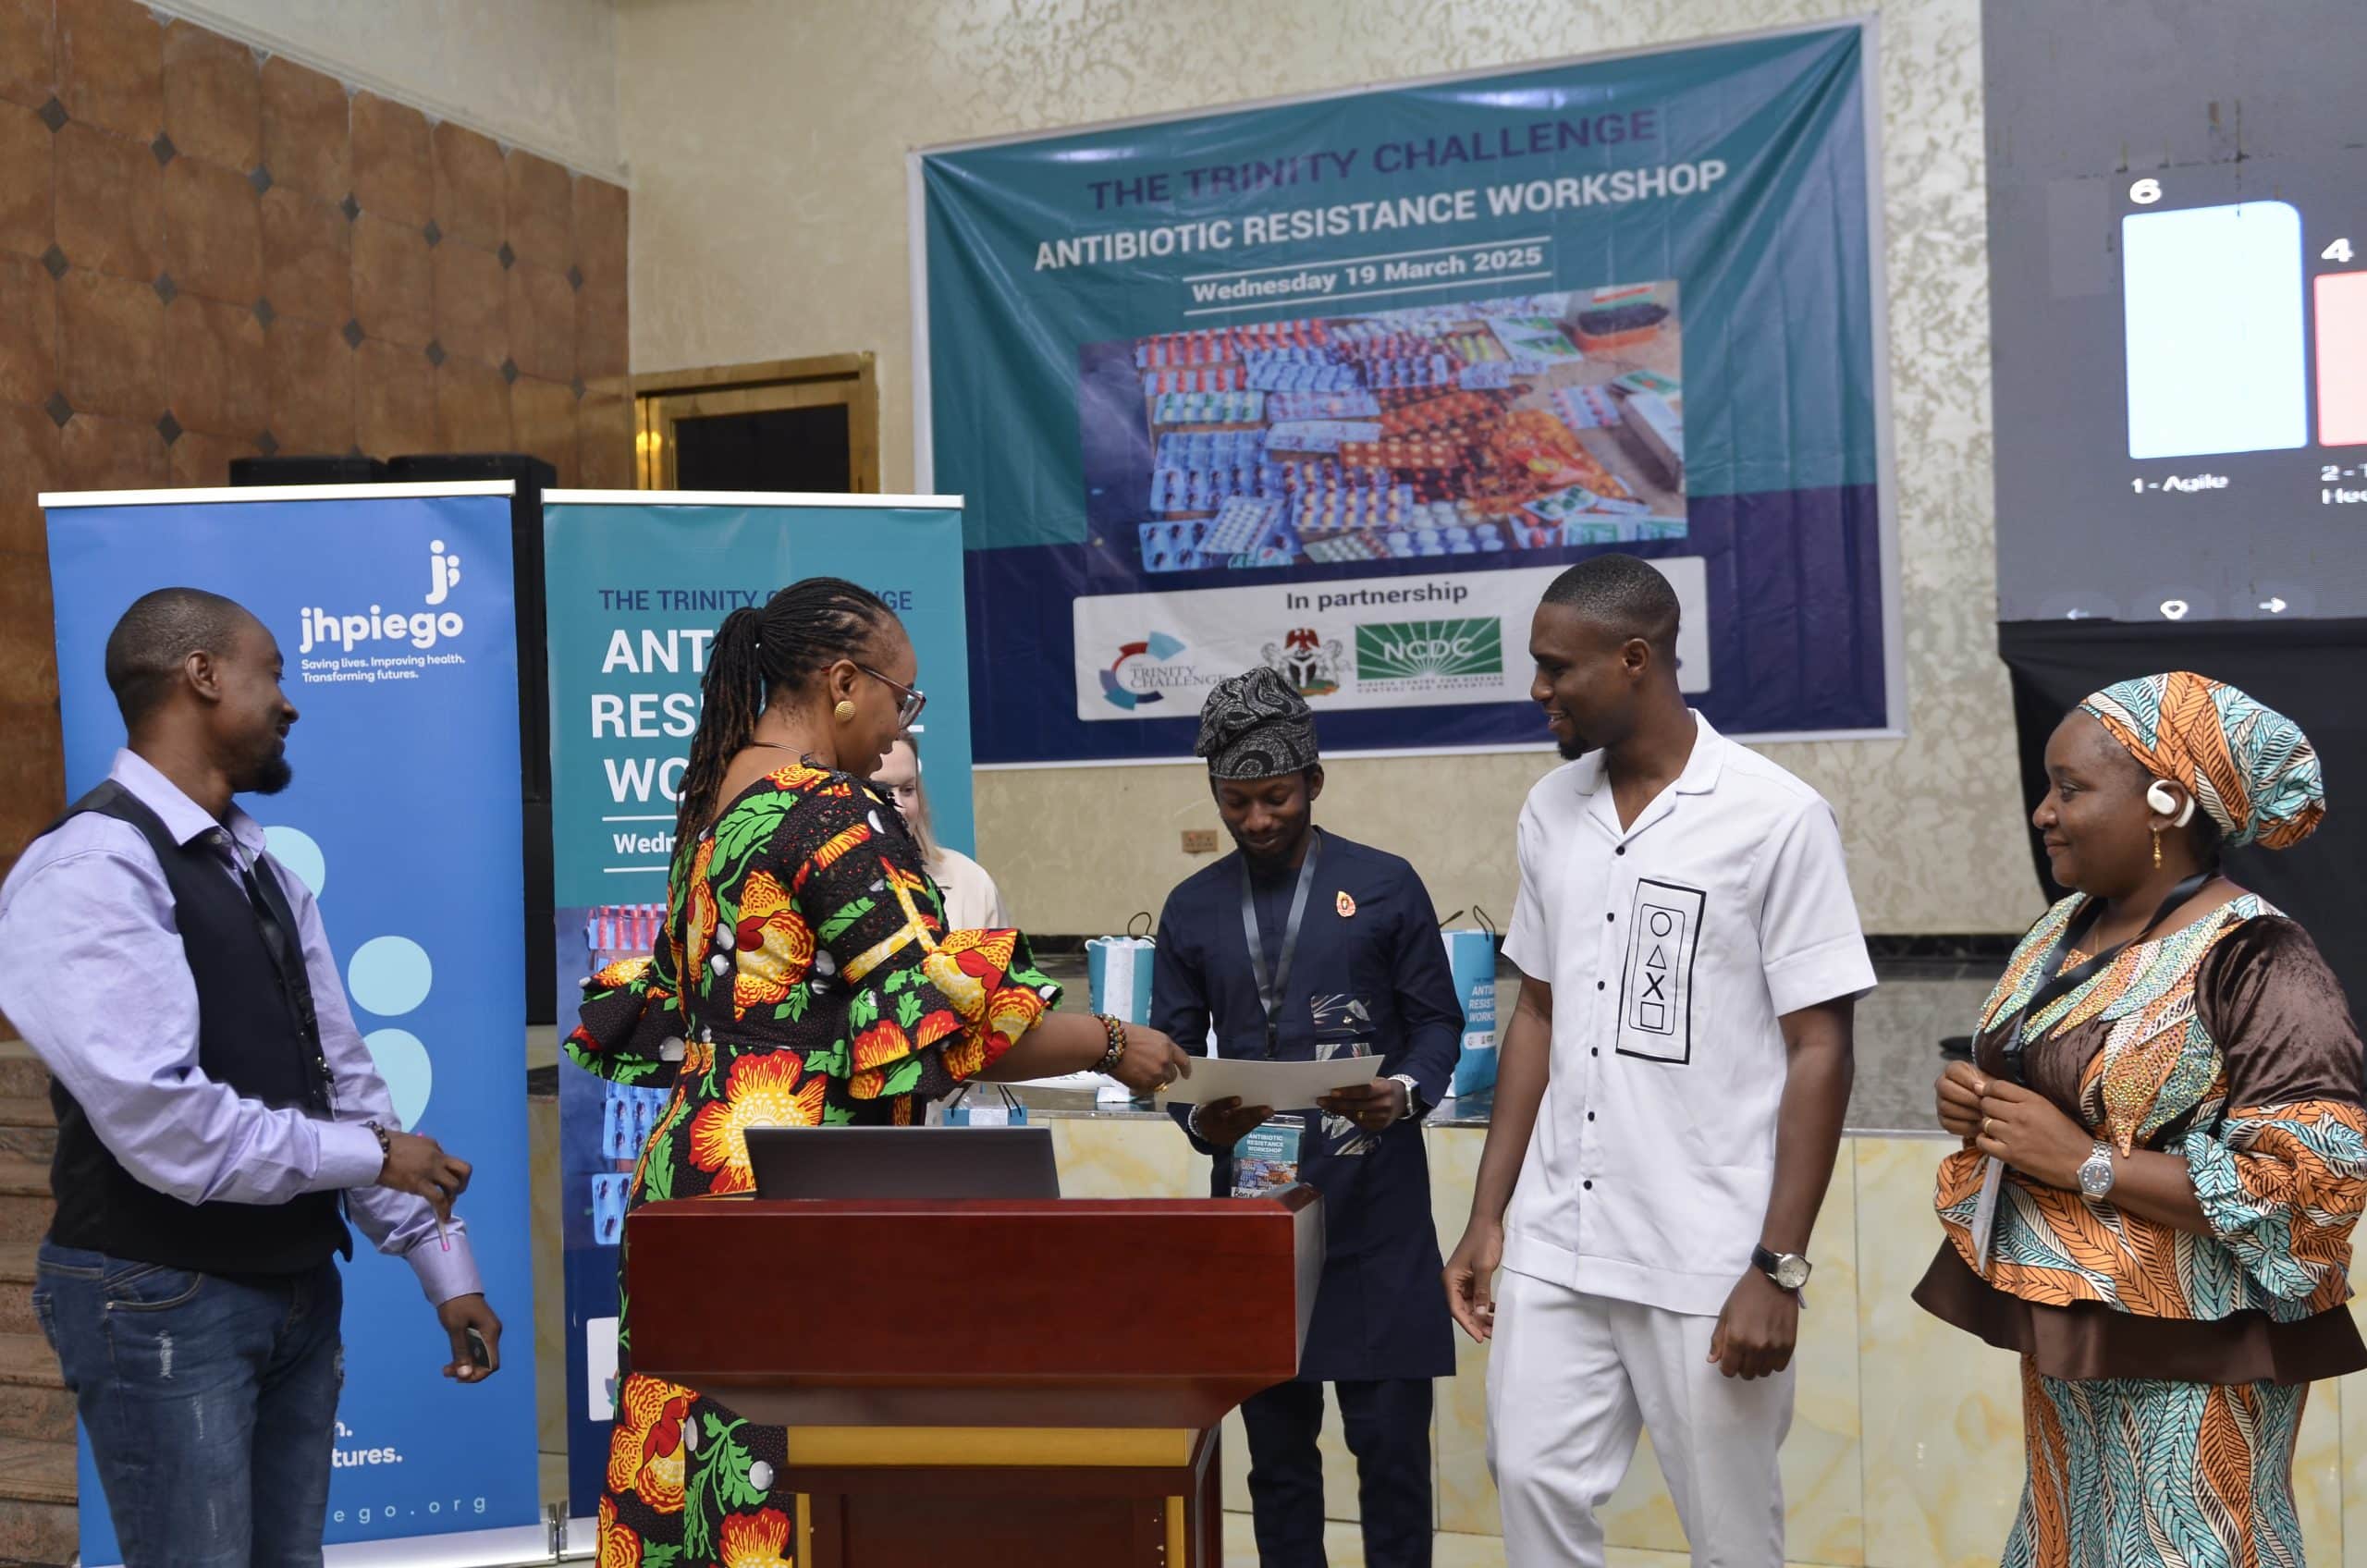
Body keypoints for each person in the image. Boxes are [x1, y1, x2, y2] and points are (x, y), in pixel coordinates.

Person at [567, 576, 1192, 1563]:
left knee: (695, 1467)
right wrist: (1113, 1043)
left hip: (691, 1184)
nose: (905, 722)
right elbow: (935, 1022)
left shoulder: (717, 805)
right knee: (796, 1485)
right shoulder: (831, 812)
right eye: (905, 698)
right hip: (796, 1192)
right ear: (845, 683)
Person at [0, 588, 502, 1568]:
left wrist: (444, 1268)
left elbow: (339, 1074)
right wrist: (375, 1156)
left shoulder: (258, 866)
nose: (289, 700)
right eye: (271, 671)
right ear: (201, 675)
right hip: (158, 1293)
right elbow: (167, 1124)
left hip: (294, 1288)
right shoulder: (91, 867)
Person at [1442, 555, 1873, 1567]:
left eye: (1557, 667)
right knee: (1531, 1482)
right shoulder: (1550, 809)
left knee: (1730, 1535)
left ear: (1635, 659)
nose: (1538, 689)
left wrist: (1778, 1267)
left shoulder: (1775, 816)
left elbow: (1820, 1046)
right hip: (1557, 1237)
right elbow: (1537, 1011)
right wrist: (1488, 1214)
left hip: (1705, 1253)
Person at [1917, 672, 2365, 1568]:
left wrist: (2085, 1163)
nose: (2044, 812)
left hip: (2200, 1354)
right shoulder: (2063, 929)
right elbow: (2066, 1084)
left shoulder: (2259, 957)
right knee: (2068, 1543)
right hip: (2070, 1323)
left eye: (2070, 788)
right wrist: (1979, 1104)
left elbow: (2318, 1183)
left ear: (2166, 801)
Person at [1151, 666, 1464, 1568]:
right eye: (1236, 801)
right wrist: (1202, 1123)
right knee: (1280, 1468)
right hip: (1259, 1223)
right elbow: (1174, 1055)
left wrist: (1404, 1091)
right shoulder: (1192, 908)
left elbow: (1437, 1023)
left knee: (1392, 1459)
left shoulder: (1385, 885)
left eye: (1276, 797)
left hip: (1378, 1220)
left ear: (1314, 782)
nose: (1256, 820)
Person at [875, 729, 1009, 928]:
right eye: (881, 791)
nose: (900, 806)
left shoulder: (971, 881)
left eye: (907, 790)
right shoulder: (827, 888)